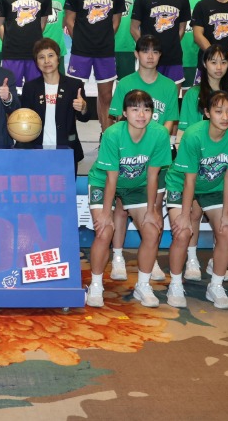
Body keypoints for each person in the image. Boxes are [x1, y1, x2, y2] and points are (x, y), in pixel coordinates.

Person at [164, 90, 228, 310]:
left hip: (214, 186)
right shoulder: (193, 135)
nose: (225, 117)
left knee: (227, 231)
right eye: (218, 111)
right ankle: (175, 284)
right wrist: (185, 215)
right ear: (207, 112)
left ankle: (216, 285)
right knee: (182, 232)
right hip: (181, 183)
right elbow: (190, 179)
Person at [86, 89, 172, 308]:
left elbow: (153, 176)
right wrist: (106, 214)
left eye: (146, 109)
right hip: (104, 181)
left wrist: (152, 210)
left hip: (137, 185)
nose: (141, 115)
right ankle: (95, 285)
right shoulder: (113, 134)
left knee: (152, 230)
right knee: (104, 231)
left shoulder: (160, 134)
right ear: (124, 112)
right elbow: (111, 178)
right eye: (135, 109)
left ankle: (143, 285)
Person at [106, 35, 179, 281]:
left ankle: (151, 258)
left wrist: (156, 144)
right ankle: (117, 257)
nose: (150, 56)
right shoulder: (125, 83)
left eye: (155, 51)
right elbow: (117, 118)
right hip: (128, 157)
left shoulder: (169, 86)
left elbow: (170, 121)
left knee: (154, 207)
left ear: (160, 56)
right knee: (121, 206)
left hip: (157, 154)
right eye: (145, 51)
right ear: (136, 54)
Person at [65, 0, 126, 130]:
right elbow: (69, 20)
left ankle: (105, 137)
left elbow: (116, 22)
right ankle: (69, 136)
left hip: (104, 52)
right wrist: (81, 40)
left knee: (106, 96)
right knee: (74, 95)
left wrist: (103, 39)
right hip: (80, 52)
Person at [18, 38, 89, 167]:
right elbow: (24, 120)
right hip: (36, 150)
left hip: (66, 149)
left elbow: (84, 118)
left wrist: (83, 107)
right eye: (41, 57)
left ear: (58, 58)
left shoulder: (74, 85)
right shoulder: (30, 88)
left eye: (51, 55)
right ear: (36, 62)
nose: (47, 61)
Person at [130, 0, 192, 85]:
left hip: (173, 57)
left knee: (172, 94)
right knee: (149, 95)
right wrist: (147, 49)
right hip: (149, 59)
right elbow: (134, 28)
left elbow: (182, 28)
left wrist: (171, 45)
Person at [108, 0, 144, 80]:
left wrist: (140, 44)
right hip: (104, 47)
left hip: (127, 46)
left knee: (125, 86)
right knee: (104, 87)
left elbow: (142, 21)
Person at [176, 0, 205, 90]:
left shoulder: (203, 3)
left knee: (190, 97)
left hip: (193, 59)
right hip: (172, 59)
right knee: (171, 96)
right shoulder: (169, 0)